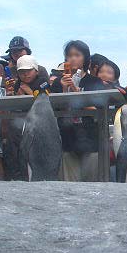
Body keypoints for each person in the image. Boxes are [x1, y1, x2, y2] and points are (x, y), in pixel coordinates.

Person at [51, 40, 105, 182]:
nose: (73, 58)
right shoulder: (58, 82)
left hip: (91, 139)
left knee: (92, 184)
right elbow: (56, 111)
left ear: (85, 58)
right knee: (69, 186)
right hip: (67, 139)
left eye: (77, 55)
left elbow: (98, 111)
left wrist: (75, 92)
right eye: (69, 55)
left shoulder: (94, 82)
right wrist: (64, 90)